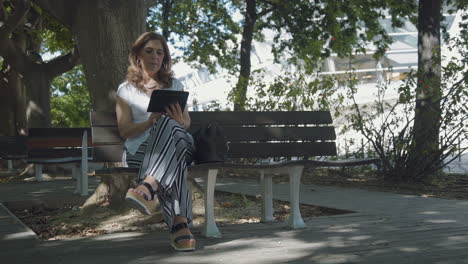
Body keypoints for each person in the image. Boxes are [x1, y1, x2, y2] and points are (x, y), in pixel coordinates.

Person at [115, 32, 196, 252]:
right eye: (149, 51)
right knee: (172, 153)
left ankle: (148, 184)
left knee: (170, 125)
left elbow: (186, 123)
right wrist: (150, 122)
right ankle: (180, 224)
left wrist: (178, 122)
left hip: (179, 142)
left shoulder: (175, 85)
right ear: (138, 56)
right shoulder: (126, 90)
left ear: (165, 57)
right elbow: (125, 130)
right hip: (142, 150)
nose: (155, 56)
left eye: (160, 52)